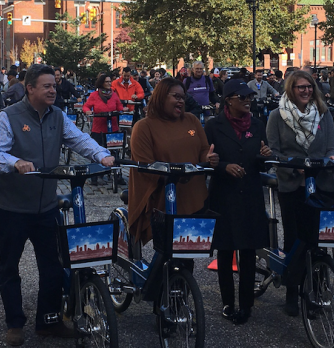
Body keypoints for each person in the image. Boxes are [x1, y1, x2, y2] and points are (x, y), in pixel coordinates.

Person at [0, 64, 115, 346]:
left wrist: (101, 155)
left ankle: (48, 321)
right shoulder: (7, 117)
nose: (53, 90)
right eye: (46, 86)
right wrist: (14, 162)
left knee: (53, 265)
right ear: (30, 88)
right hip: (11, 206)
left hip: (45, 204)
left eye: (54, 85)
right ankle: (15, 323)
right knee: (10, 266)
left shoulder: (57, 116)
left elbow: (78, 139)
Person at [266, 70, 334, 316]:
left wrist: (333, 156)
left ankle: (318, 290)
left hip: (321, 183)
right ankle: (292, 291)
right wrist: (292, 165)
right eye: (300, 87)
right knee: (295, 239)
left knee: (319, 241)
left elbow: (332, 144)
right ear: (291, 89)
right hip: (292, 184)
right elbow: (274, 152)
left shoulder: (323, 113)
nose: (306, 91)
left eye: (309, 86)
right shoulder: (277, 116)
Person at [204, 79, 271, 325]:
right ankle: (227, 302)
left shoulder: (258, 124)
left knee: (248, 250)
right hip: (224, 194)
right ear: (228, 100)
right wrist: (222, 166)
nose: (247, 101)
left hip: (251, 195)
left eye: (249, 97)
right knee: (225, 249)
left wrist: (266, 156)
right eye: (242, 97)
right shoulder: (213, 125)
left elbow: (262, 158)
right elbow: (206, 159)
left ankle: (246, 304)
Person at [127, 78, 219, 244]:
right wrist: (176, 175)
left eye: (183, 97)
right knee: (166, 253)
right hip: (164, 198)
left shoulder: (191, 120)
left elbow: (203, 149)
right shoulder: (143, 127)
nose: (181, 101)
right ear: (161, 97)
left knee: (188, 252)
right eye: (176, 96)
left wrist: (208, 158)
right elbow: (144, 166)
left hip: (193, 196)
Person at [83, 73, 124, 144]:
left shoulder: (114, 95)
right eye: (107, 82)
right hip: (98, 129)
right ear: (102, 83)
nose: (109, 83)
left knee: (114, 150)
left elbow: (119, 107)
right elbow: (86, 106)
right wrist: (88, 111)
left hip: (113, 127)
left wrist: (123, 109)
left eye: (110, 81)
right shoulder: (94, 95)